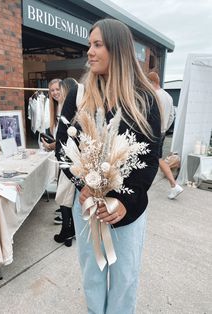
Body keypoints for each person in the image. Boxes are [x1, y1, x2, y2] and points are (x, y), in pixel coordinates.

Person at [55, 19, 161, 314]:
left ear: (118, 49)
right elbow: (64, 145)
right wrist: (84, 185)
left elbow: (150, 157)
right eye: (90, 44)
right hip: (87, 204)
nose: (89, 51)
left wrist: (125, 201)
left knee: (125, 277)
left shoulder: (143, 100)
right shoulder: (78, 95)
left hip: (128, 208)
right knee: (92, 275)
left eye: (97, 44)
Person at [147, 71, 183, 199]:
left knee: (154, 159)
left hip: (151, 132)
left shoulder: (152, 96)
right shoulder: (168, 96)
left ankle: (174, 185)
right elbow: (172, 115)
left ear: (152, 82)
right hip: (161, 132)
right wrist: (164, 128)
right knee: (157, 158)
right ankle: (174, 185)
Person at [53, 78, 78, 246]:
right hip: (69, 157)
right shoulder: (66, 107)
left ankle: (66, 232)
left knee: (65, 197)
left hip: (69, 158)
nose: (57, 93)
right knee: (68, 196)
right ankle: (69, 231)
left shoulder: (70, 109)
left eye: (59, 90)